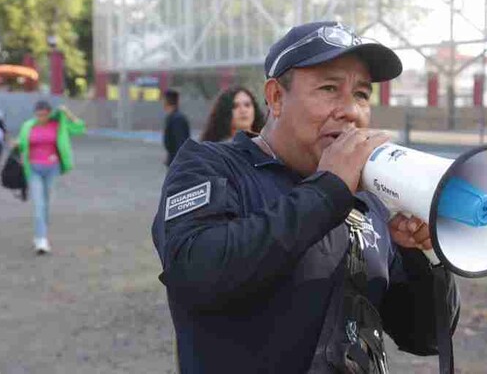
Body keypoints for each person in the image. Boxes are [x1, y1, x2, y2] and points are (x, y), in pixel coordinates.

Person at [152, 22, 459, 373]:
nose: (351, 111)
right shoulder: (211, 166)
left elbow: (425, 337)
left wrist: (425, 253)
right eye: (329, 88)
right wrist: (328, 191)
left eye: (361, 94)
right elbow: (196, 272)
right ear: (276, 98)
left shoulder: (370, 198)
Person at [17, 101, 85, 254]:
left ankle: (42, 232)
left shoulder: (58, 125)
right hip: (33, 169)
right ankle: (41, 239)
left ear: (49, 113)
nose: (40, 117)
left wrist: (68, 113)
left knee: (46, 203)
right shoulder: (28, 126)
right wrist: (17, 145)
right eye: (38, 115)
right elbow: (22, 143)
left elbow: (80, 128)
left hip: (51, 169)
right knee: (39, 204)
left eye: (44, 114)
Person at [199, 86, 264, 142]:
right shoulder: (215, 150)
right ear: (225, 112)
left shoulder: (267, 146)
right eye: (235, 106)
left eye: (247, 105)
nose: (243, 110)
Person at [162, 89, 191, 166]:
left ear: (166, 102)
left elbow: (180, 143)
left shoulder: (177, 119)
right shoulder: (173, 117)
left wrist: (178, 163)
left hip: (177, 164)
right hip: (175, 161)